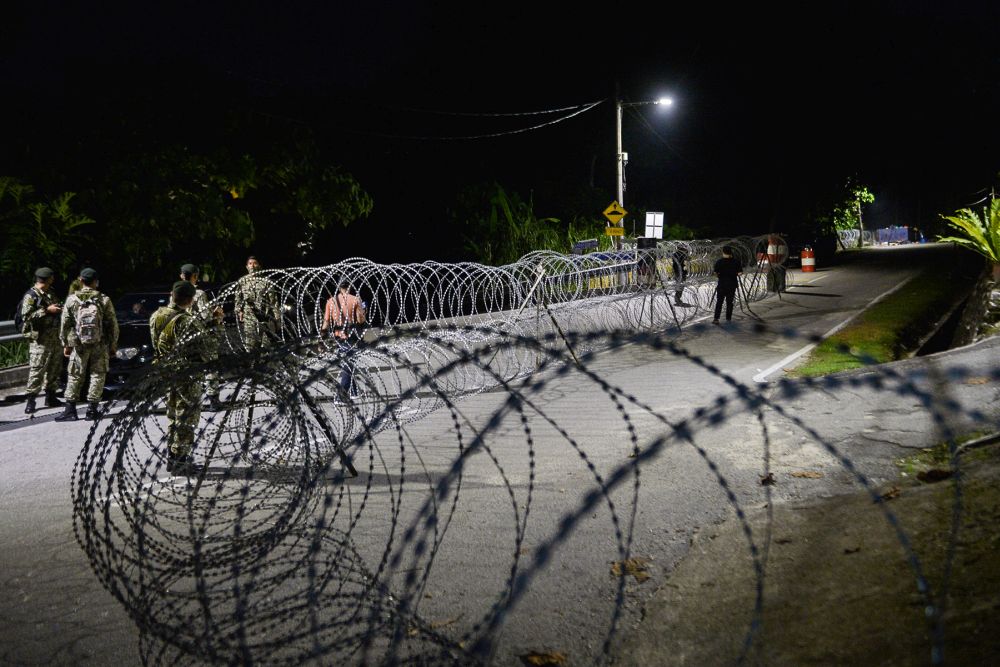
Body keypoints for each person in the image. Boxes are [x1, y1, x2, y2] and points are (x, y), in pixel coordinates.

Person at [149, 281, 215, 473]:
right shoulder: (187, 320)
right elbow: (205, 348)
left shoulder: (157, 315)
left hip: (166, 370)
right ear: (190, 300)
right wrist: (214, 326)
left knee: (173, 414)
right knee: (187, 416)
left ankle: (172, 456)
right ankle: (181, 459)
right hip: (186, 373)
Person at [55, 268, 119, 421]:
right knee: (98, 374)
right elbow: (113, 324)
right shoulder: (104, 299)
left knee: (75, 374)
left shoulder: (71, 300)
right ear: (96, 282)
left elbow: (65, 324)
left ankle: (70, 409)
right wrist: (113, 344)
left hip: (78, 343)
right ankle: (92, 410)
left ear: (81, 281)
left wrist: (66, 343)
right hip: (100, 342)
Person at [174, 263, 224, 408]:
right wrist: (217, 315)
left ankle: (189, 399)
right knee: (210, 365)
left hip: (184, 335)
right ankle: (213, 399)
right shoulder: (199, 294)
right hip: (201, 334)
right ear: (195, 276)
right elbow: (206, 316)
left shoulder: (175, 293)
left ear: (182, 276)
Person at [20, 267, 65, 414]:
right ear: (47, 278)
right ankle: (31, 399)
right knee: (37, 369)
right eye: (52, 277)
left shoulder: (50, 293)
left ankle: (50, 396)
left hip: (54, 337)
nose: (53, 280)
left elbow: (55, 307)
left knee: (54, 368)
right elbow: (26, 317)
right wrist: (46, 310)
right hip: (40, 340)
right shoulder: (31, 295)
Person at [320, 281, 367, 397]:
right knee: (348, 365)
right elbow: (360, 320)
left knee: (349, 362)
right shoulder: (355, 299)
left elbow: (326, 323)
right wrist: (363, 311)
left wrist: (321, 341)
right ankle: (340, 396)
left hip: (337, 336)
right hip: (350, 336)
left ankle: (354, 391)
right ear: (349, 287)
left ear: (339, 287)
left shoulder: (331, 302)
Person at [234, 255, 281, 349]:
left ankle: (265, 362)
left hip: (264, 316)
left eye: (255, 263)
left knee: (266, 345)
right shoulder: (242, 281)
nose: (252, 266)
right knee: (250, 345)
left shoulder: (265, 281)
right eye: (250, 264)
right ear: (247, 266)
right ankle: (253, 363)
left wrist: (277, 318)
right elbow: (238, 298)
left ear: (259, 265)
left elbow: (273, 300)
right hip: (249, 317)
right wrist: (239, 311)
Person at [712, 245, 743, 325]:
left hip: (722, 284)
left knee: (719, 302)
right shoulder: (736, 261)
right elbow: (740, 273)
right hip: (732, 285)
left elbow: (715, 272)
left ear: (723, 252)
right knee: (729, 302)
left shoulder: (719, 262)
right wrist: (735, 273)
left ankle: (716, 319)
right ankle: (728, 319)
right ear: (731, 252)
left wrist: (719, 275)